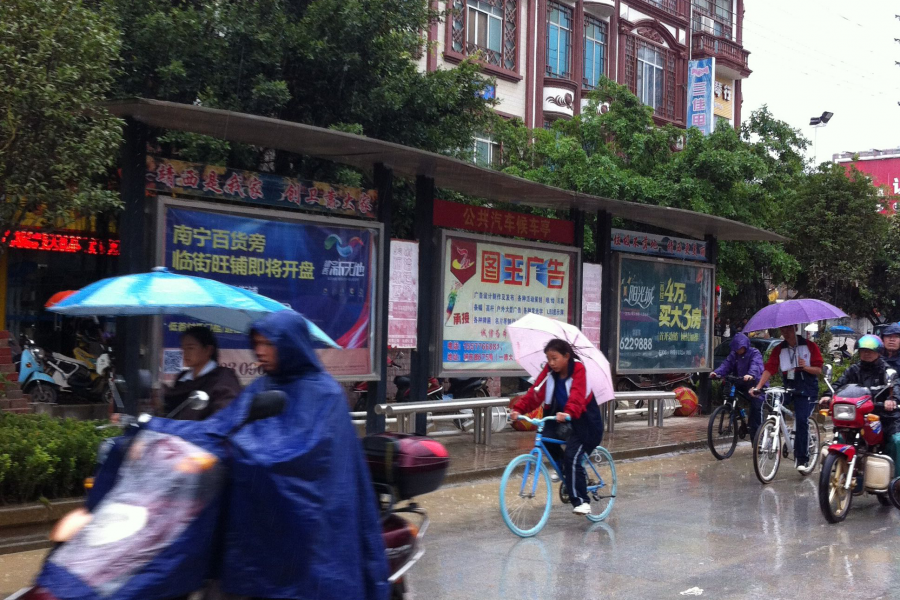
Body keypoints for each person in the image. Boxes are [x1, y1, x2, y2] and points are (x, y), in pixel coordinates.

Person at [208, 310, 388, 600]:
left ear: (290, 344)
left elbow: (301, 457)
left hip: (313, 523)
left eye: (269, 344)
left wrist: (244, 450)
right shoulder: (261, 387)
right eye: (257, 343)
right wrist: (163, 431)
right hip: (266, 509)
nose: (260, 352)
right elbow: (220, 427)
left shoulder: (325, 394)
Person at [509, 339, 604, 516]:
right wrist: (518, 409)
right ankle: (567, 471)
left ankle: (582, 501)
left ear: (566, 356)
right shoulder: (549, 372)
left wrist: (568, 412)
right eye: (548, 359)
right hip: (560, 419)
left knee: (572, 456)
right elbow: (535, 393)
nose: (551, 363)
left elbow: (577, 396)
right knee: (545, 438)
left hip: (585, 423)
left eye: (555, 358)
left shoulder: (579, 370)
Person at [750, 324, 823, 470]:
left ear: (795, 328)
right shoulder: (779, 349)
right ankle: (777, 434)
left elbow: (819, 370)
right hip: (789, 387)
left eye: (789, 329)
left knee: (802, 419)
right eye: (783, 329)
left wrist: (805, 367)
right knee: (774, 408)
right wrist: (758, 387)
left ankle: (802, 458)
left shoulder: (809, 346)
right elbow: (770, 368)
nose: (786, 332)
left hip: (806, 389)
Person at [820, 335, 900, 466]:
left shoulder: (887, 371)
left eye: (870, 350)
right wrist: (828, 395)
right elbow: (838, 384)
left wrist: (892, 401)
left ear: (878, 352)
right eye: (863, 350)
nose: (866, 353)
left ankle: (897, 481)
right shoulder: (853, 370)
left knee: (897, 440)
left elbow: (895, 387)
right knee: (842, 435)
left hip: (882, 415)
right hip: (858, 415)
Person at [164, 326, 242, 420]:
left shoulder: (224, 378)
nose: (185, 353)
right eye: (183, 349)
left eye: (190, 348)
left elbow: (225, 414)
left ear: (208, 350)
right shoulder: (182, 377)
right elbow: (172, 409)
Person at [709, 333, 766, 440]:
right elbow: (726, 365)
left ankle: (758, 439)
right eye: (736, 348)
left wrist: (750, 375)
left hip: (755, 384)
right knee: (729, 393)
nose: (738, 350)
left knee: (756, 407)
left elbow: (756, 365)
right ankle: (733, 412)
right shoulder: (733, 355)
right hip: (740, 382)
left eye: (740, 348)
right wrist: (716, 373)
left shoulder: (754, 353)